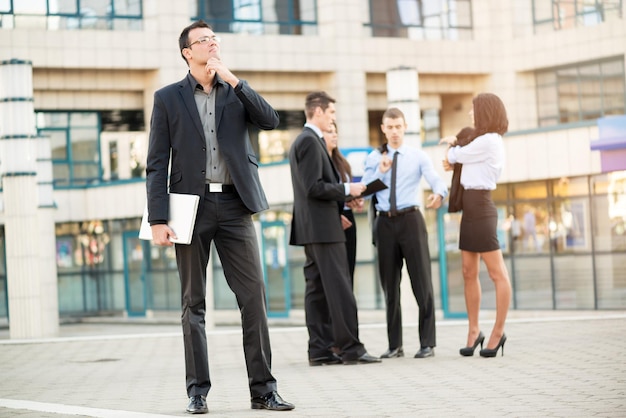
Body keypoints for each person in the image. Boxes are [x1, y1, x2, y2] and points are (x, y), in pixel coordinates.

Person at [145, 20, 294, 414]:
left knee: (253, 297)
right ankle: (197, 392)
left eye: (214, 39)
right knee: (193, 302)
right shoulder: (167, 98)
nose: (212, 44)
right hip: (188, 210)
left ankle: (263, 390)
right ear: (186, 52)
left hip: (235, 206)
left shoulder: (234, 91)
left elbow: (271, 120)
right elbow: (156, 163)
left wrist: (235, 80)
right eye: (204, 41)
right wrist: (158, 218)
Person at [289, 91, 381, 366]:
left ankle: (319, 350)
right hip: (322, 231)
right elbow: (313, 187)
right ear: (318, 112)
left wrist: (342, 198)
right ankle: (351, 348)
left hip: (317, 227)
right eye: (331, 113)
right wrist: (346, 188)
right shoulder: (309, 141)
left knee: (317, 291)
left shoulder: (308, 141)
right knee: (340, 290)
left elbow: (314, 189)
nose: (333, 119)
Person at [362, 107, 448, 359]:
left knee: (422, 282)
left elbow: (435, 178)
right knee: (390, 287)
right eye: (390, 127)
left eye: (398, 126)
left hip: (411, 220)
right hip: (384, 223)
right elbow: (364, 189)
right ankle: (395, 345)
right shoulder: (373, 158)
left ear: (405, 127)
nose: (395, 131)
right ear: (383, 129)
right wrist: (381, 171)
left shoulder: (417, 156)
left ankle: (427, 344)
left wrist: (439, 193)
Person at [439, 92, 512, 358]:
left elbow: (455, 156)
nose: (471, 114)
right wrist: (455, 148)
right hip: (470, 210)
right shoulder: (481, 140)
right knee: (469, 271)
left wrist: (454, 146)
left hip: (481, 207)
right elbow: (456, 156)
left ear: (485, 112)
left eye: (474, 110)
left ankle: (498, 331)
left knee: (497, 273)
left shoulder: (490, 141)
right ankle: (473, 331)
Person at [323, 121, 364, 285]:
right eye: (329, 131)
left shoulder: (343, 162)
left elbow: (345, 191)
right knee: (334, 275)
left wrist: (354, 201)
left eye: (335, 132)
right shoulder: (321, 162)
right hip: (331, 218)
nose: (334, 135)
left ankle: (348, 310)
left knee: (349, 271)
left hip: (348, 219)